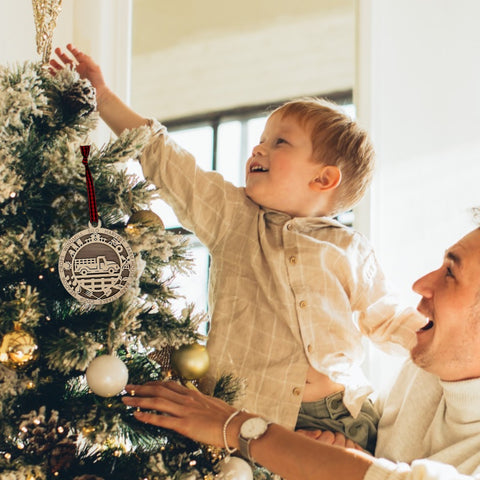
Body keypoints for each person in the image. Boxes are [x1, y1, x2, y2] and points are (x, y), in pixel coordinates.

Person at [50, 45, 426, 453]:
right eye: (261, 139)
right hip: (245, 412)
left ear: (323, 179)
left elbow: (387, 319)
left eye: (279, 142)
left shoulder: (349, 248)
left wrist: (444, 341)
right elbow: (168, 160)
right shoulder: (234, 218)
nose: (257, 149)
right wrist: (103, 96)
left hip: (338, 416)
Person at [122, 225, 480, 479]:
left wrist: (235, 426)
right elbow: (381, 463)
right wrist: (350, 454)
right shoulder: (427, 368)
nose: (421, 285)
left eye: (450, 273)